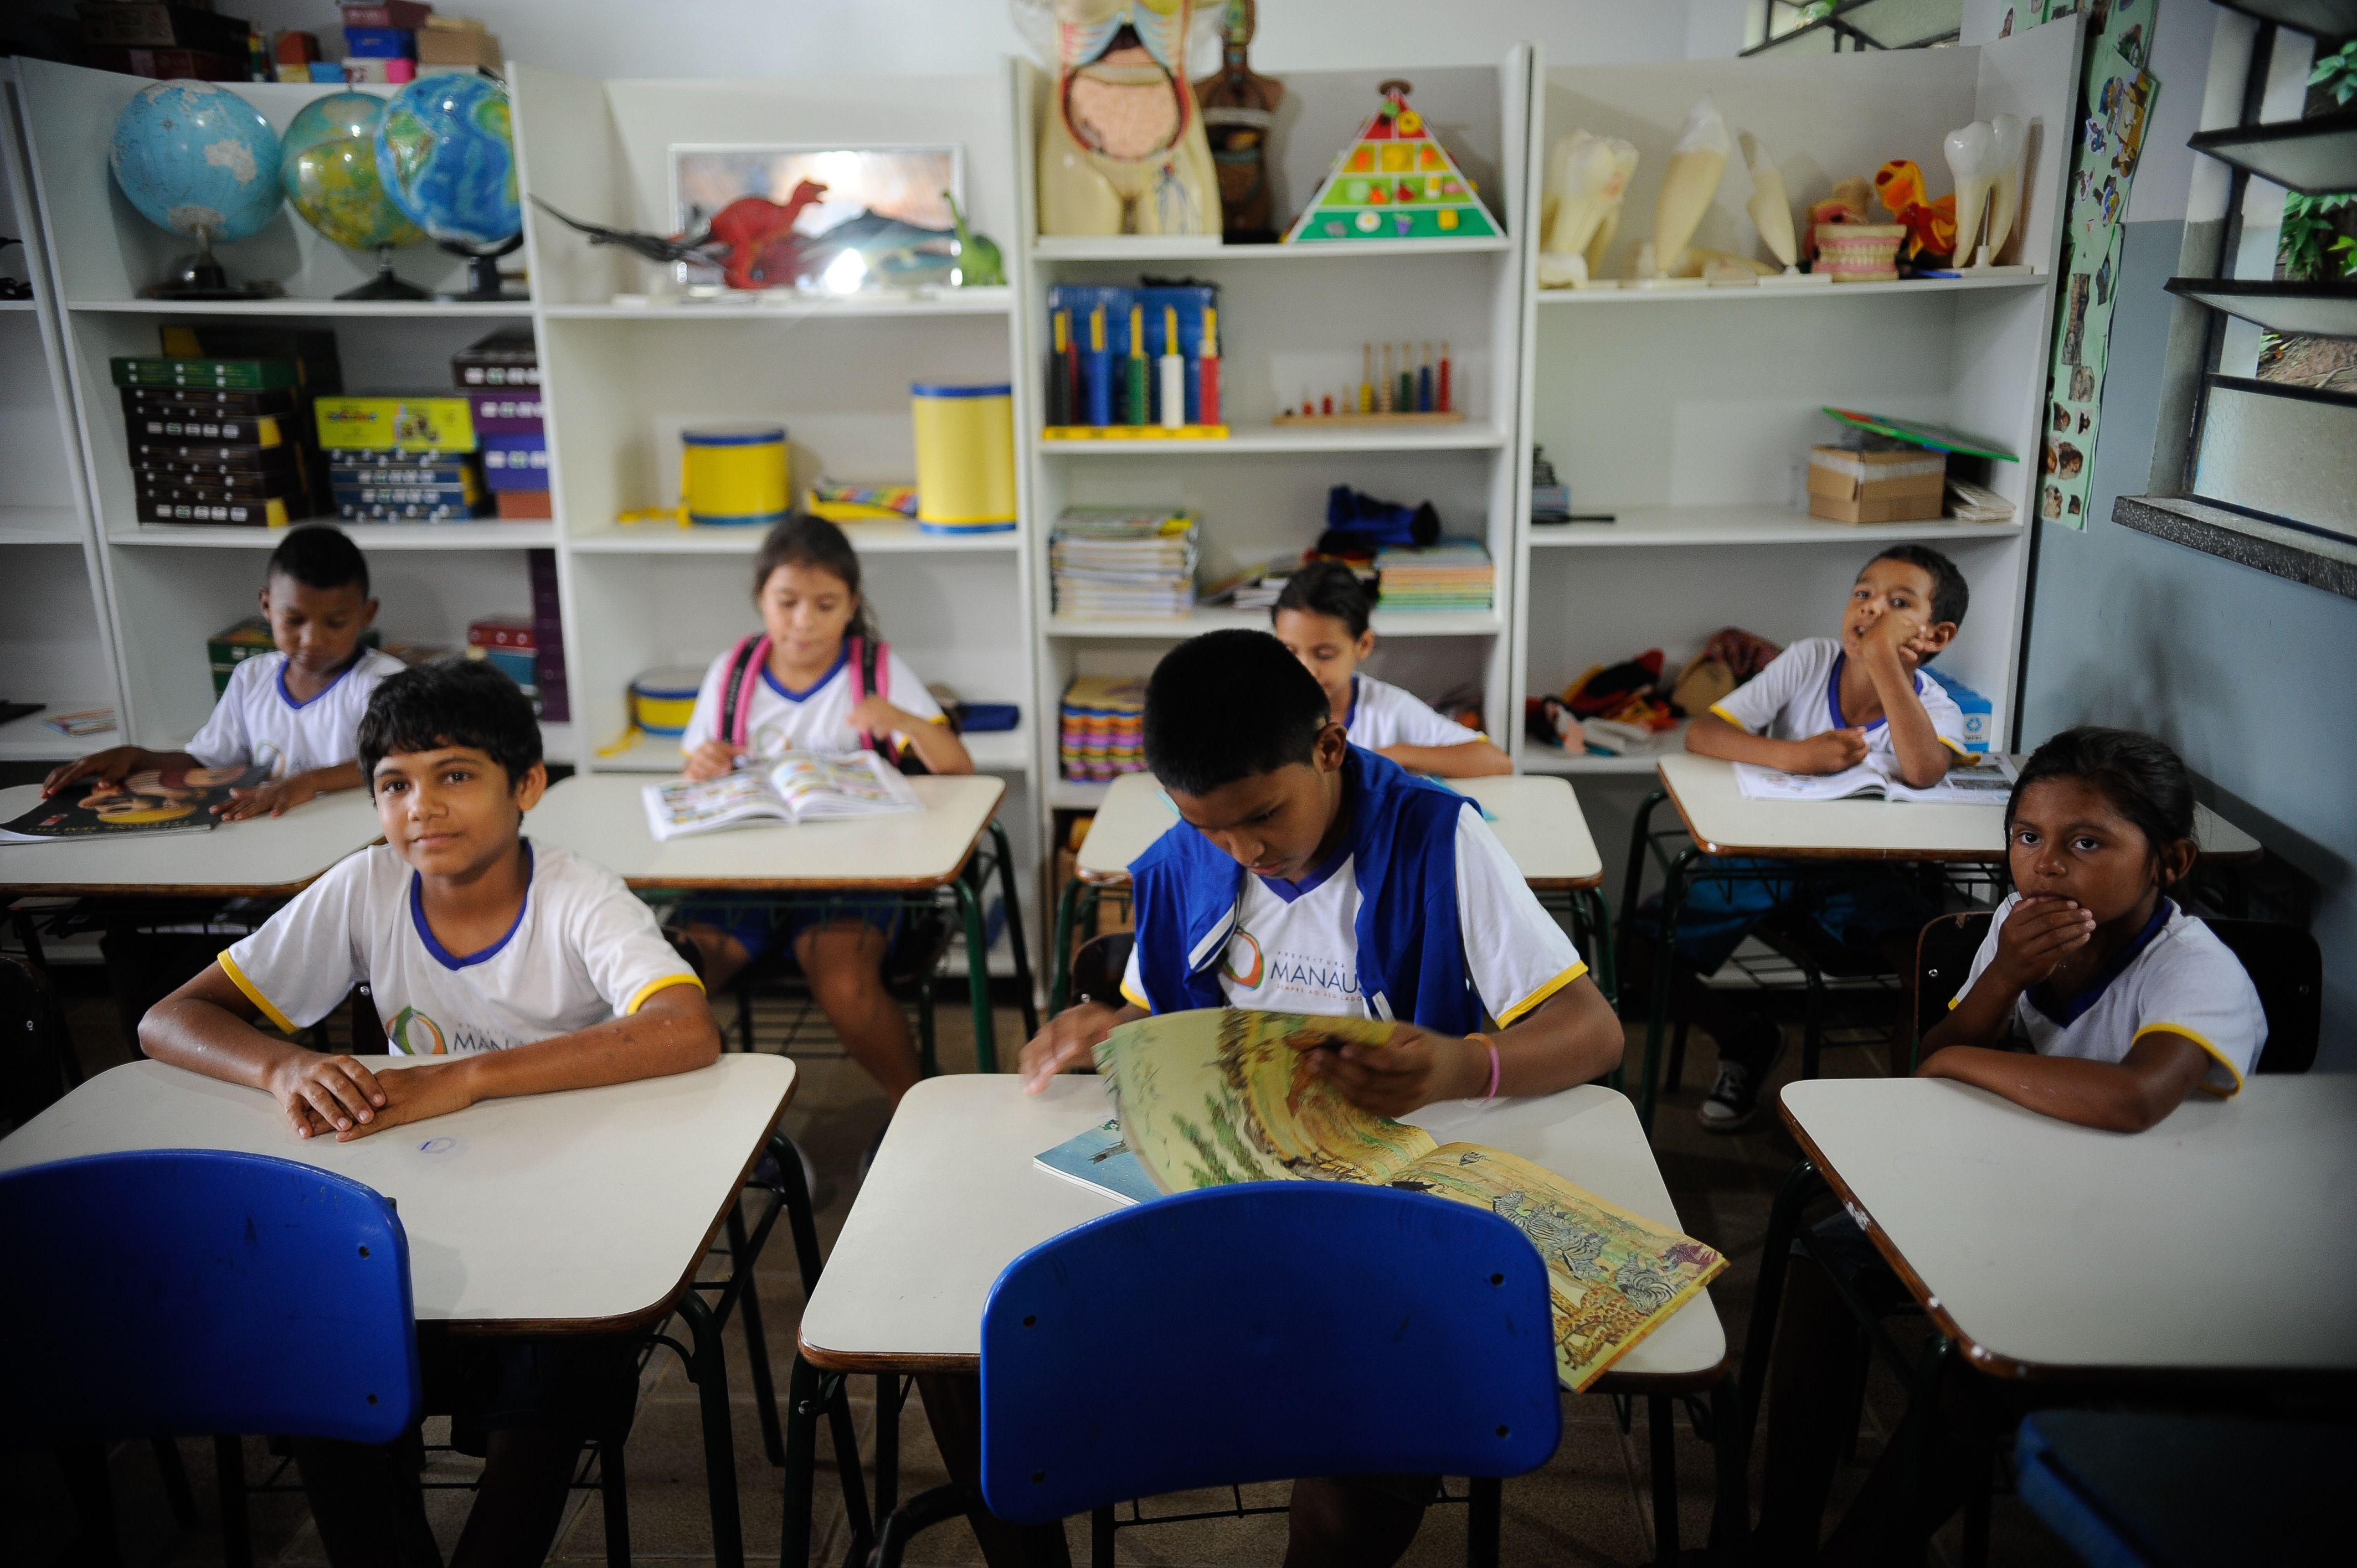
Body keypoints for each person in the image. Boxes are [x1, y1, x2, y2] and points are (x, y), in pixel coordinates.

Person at [1021, 629, 1622, 1568]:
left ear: (1329, 747)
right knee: (1033, 1356)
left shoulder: (1435, 840)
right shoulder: (1189, 852)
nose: (1243, 849)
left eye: (1262, 815)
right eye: (1209, 827)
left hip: (1390, 1198)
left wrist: (1463, 1065)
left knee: (1351, 1471)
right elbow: (1153, 1005)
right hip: (1230, 1191)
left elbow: (1594, 1031)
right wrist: (1108, 1021)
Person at [139, 658, 721, 1568]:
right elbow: (168, 1018)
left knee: (551, 1383)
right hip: (417, 1212)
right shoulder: (365, 886)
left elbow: (684, 1028)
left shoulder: (576, 894)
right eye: (395, 785)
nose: (423, 807)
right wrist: (284, 1064)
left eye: (456, 776)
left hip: (574, 1220)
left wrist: (468, 1077)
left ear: (526, 785)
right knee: (317, 1354)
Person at [1751, 726, 2263, 1566]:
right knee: (1825, 1254)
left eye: (2086, 842)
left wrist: (1959, 1059)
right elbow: (1936, 1057)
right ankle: (1779, 1537)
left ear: (2170, 863)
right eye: (2028, 837)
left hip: (2159, 1242)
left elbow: (2134, 1098)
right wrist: (2001, 980)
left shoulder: (2193, 970)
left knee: (1979, 1382)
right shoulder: (2018, 929)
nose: (2047, 864)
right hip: (2036, 1195)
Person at [1663, 544, 1974, 1131]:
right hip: (1765, 861)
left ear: (1935, 636)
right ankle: (1745, 1040)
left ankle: (1908, 1113)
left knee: (1930, 962)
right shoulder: (1808, 661)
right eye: (1862, 595)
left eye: (1897, 604)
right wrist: (1794, 756)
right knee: (1642, 949)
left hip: (1861, 878)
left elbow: (1923, 770)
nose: (1871, 610)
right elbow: (1702, 734)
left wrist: (1884, 662)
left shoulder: (1934, 707)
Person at [673, 514, 971, 1111]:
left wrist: (903, 721)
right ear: (761, 599)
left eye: (825, 604)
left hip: (856, 876)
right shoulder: (734, 672)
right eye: (786, 602)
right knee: (676, 977)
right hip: (746, 875)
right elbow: (693, 773)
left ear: (851, 604)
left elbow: (958, 770)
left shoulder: (872, 669)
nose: (803, 621)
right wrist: (700, 765)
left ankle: (911, 1105)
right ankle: (735, 1127)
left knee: (841, 979)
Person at [42, 524, 402, 821]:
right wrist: (138, 758)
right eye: (294, 621)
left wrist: (306, 783)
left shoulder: (383, 682)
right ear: (266, 606)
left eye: (336, 623)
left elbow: (401, 762)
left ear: (366, 615)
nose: (312, 640)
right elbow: (209, 762)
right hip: (272, 837)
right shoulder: (251, 678)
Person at [1270, 560, 1510, 777]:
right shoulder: (1261, 707)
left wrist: (1394, 755)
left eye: (1325, 655)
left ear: (1363, 645)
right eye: (1290, 652)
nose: (1306, 671)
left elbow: (1497, 763)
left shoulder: (1388, 709)